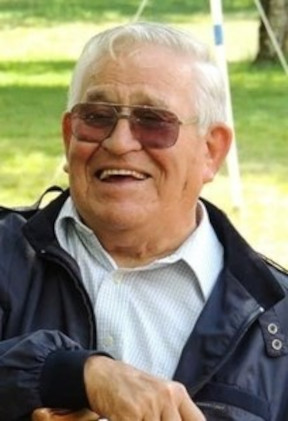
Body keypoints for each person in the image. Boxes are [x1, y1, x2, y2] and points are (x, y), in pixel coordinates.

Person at [0, 21, 287, 421]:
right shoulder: (6, 255)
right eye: (97, 117)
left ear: (211, 151)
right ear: (69, 136)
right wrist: (70, 375)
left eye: (153, 121)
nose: (119, 143)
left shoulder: (276, 322)